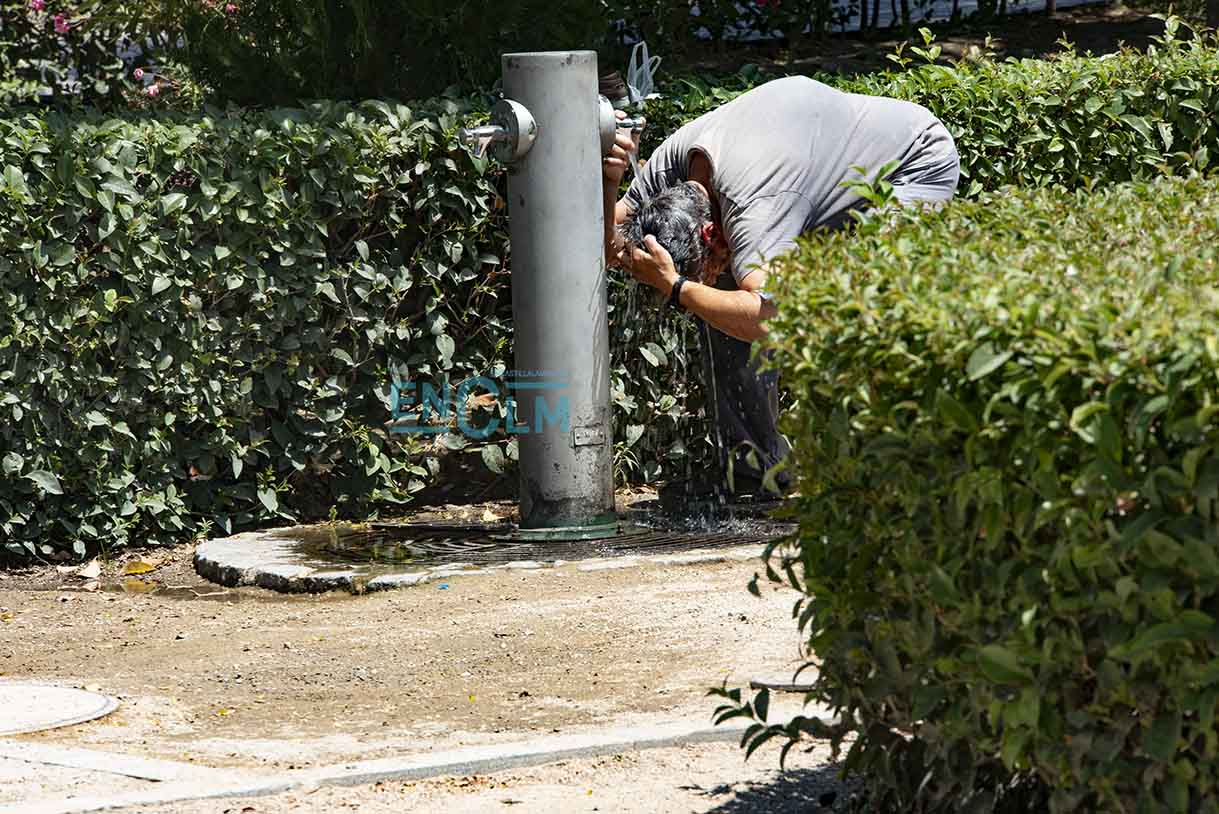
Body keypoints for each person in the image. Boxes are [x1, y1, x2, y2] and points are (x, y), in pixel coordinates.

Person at [603, 75, 959, 499]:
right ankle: (755, 473)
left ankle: (895, 466)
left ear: (714, 233)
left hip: (909, 165)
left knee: (867, 307)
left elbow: (773, 318)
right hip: (804, 166)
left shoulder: (754, 208)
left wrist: (681, 288)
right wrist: (609, 179)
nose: (710, 275)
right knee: (719, 305)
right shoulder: (671, 173)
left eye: (707, 266)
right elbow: (609, 240)